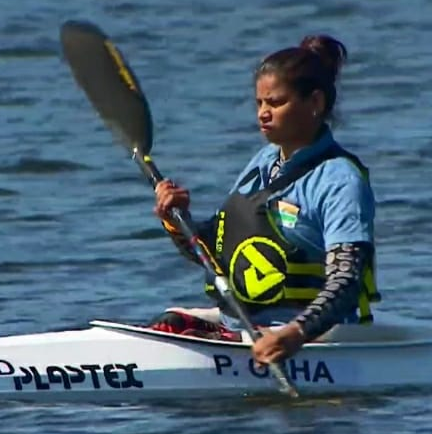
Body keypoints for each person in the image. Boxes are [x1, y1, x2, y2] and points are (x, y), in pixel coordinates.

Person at [147, 34, 380, 367]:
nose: (263, 114)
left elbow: (346, 281)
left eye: (276, 103)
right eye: (259, 103)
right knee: (169, 322)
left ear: (314, 103)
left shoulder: (339, 181)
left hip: (308, 339)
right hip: (244, 328)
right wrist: (176, 219)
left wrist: (296, 333)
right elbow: (213, 258)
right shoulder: (263, 162)